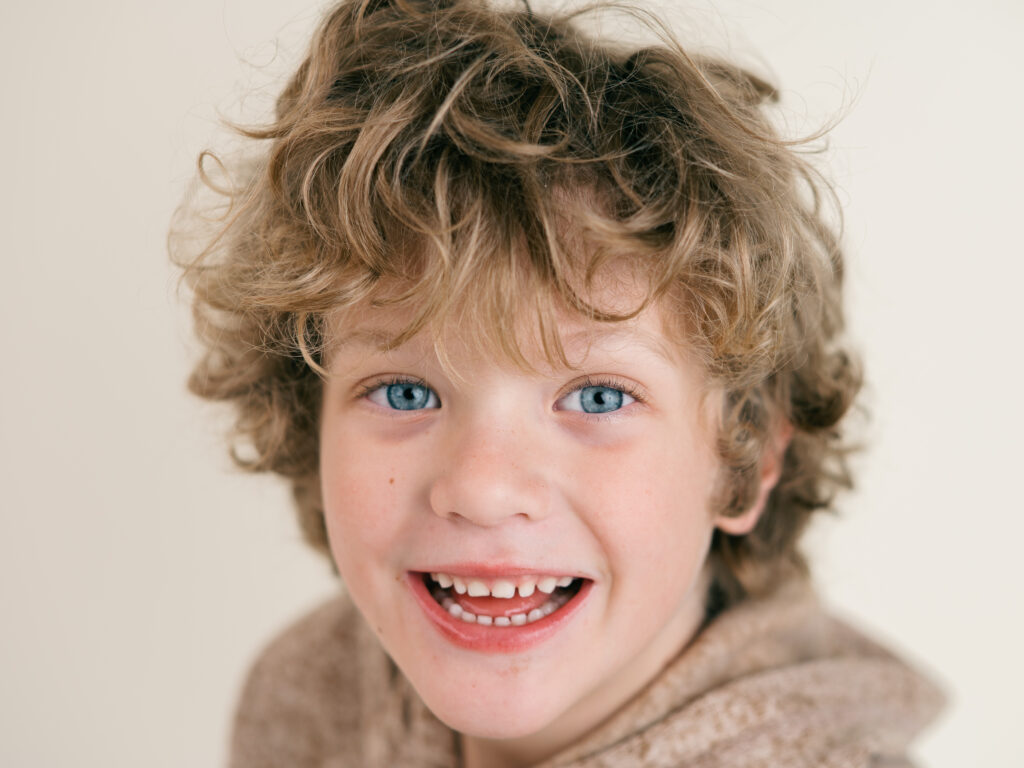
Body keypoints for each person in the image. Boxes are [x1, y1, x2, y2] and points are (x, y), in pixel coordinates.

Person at [174, 0, 943, 765]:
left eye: (598, 397)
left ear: (743, 460)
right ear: (308, 424)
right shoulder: (309, 697)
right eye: (405, 393)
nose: (481, 488)